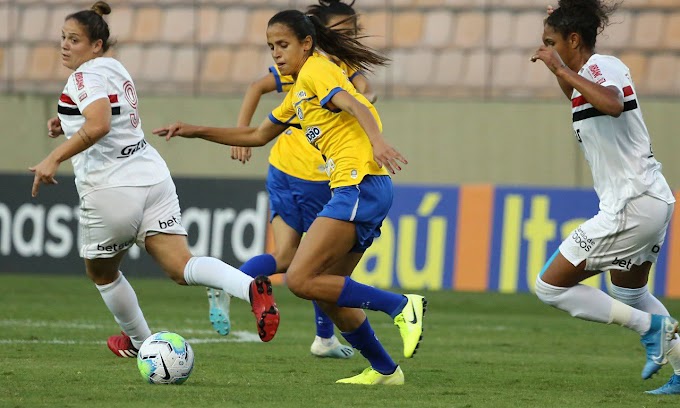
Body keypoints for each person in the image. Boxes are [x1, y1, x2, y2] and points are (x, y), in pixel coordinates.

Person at [154, 9, 426, 385]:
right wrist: (192, 129)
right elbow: (256, 136)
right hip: (358, 188)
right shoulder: (297, 93)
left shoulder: (317, 70)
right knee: (329, 296)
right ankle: (386, 370)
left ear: (306, 43)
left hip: (359, 182)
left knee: (298, 277)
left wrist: (377, 142)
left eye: (283, 45)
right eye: (271, 47)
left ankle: (401, 306)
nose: (277, 54)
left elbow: (355, 103)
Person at [29, 1, 280, 357]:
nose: (65, 46)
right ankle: (248, 288)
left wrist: (53, 157)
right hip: (152, 176)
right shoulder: (115, 68)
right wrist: (66, 121)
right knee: (181, 266)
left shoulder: (83, 77)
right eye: (63, 38)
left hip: (110, 188)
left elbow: (98, 124)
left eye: (74, 40)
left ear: (96, 45)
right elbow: (103, 113)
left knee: (102, 273)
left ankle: (141, 342)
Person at [209, 0, 376, 360]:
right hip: (311, 175)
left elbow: (362, 91)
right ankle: (325, 338)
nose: (352, 37)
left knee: (286, 256)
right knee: (320, 266)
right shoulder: (318, 69)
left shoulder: (330, 69)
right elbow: (259, 86)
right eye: (345, 32)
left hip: (281, 166)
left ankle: (231, 283)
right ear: (320, 34)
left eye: (354, 31)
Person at [530, 0, 680, 394]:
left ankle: (652, 329)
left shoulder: (603, 67)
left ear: (574, 40)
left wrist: (560, 66)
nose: (544, 49)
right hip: (651, 200)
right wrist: (559, 65)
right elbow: (580, 94)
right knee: (629, 291)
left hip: (631, 205)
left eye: (551, 41)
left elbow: (612, 104)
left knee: (550, 287)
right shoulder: (586, 80)